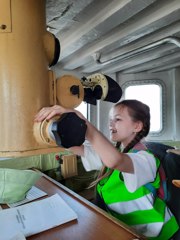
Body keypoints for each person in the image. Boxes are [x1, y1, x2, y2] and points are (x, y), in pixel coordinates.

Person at [34, 100, 179, 239]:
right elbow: (77, 148)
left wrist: (85, 125)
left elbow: (115, 161)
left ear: (137, 126)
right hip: (123, 227)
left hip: (155, 235)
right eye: (110, 119)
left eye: (118, 119)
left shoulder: (146, 160)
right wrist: (53, 127)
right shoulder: (115, 152)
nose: (110, 124)